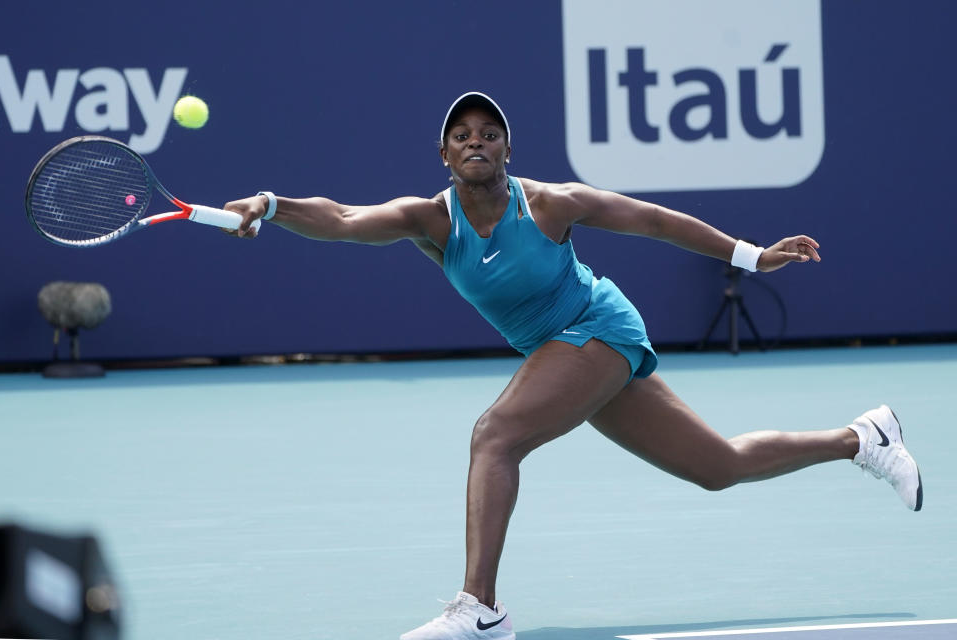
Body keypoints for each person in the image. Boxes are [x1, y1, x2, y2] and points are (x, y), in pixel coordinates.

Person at [223, 92, 923, 640]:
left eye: (488, 133)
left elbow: (651, 219)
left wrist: (751, 254)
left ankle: (481, 607)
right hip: (565, 357)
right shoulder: (431, 221)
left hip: (598, 331)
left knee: (495, 435)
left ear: (506, 149)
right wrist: (272, 205)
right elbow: (342, 217)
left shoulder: (551, 202)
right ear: (444, 154)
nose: (476, 141)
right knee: (718, 466)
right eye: (462, 134)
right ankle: (864, 438)